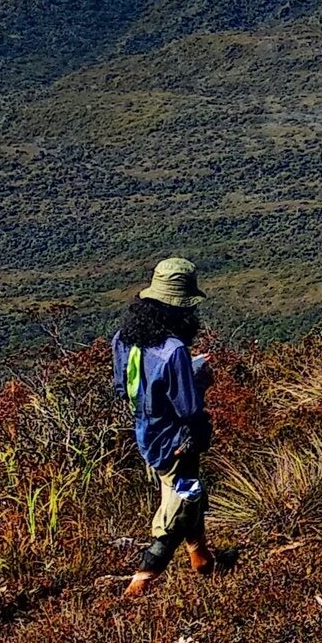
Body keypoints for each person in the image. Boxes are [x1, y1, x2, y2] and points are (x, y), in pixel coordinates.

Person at [111, 257, 216, 600]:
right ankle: (141, 582)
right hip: (176, 440)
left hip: (146, 432)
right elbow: (188, 409)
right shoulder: (174, 352)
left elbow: (123, 386)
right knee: (180, 501)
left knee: (189, 491)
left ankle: (202, 559)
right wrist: (198, 378)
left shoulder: (125, 338)